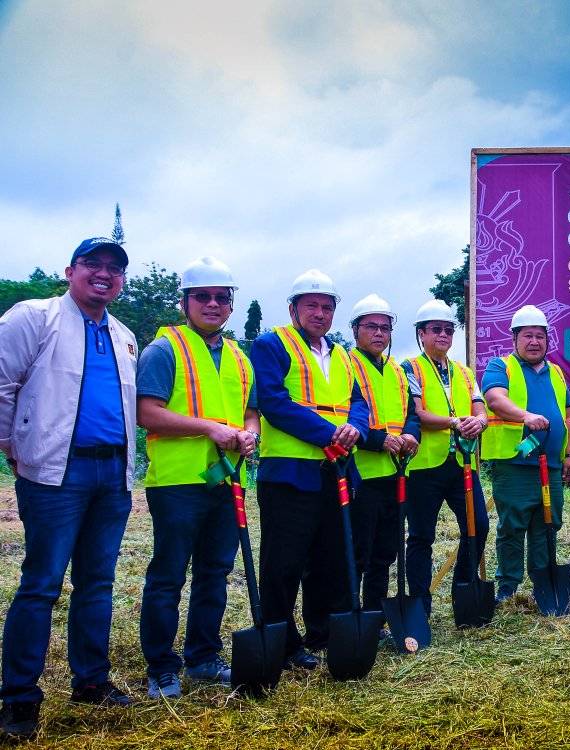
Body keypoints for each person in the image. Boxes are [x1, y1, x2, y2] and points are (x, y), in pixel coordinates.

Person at [0, 238, 138, 739]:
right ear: (70, 270)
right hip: (55, 473)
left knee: (97, 583)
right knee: (40, 584)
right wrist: (13, 445)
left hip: (112, 475)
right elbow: (1, 382)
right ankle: (18, 698)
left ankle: (91, 681)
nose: (104, 274)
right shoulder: (33, 317)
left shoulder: (124, 336)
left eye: (115, 269)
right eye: (93, 265)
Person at [137, 257, 259, 698]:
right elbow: (145, 412)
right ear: (185, 302)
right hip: (177, 482)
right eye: (202, 297)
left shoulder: (239, 359)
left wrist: (249, 434)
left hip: (226, 481)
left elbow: (250, 412)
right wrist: (210, 428)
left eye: (221, 298)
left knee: (215, 572)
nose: (213, 304)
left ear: (230, 307)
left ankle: (203, 657)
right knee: (169, 575)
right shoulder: (164, 350)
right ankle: (161, 666)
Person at [249, 269, 370, 669]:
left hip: (335, 469)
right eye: (311, 306)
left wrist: (355, 426)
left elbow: (358, 401)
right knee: (284, 562)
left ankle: (323, 632)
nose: (320, 313)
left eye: (327, 307)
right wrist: (331, 434)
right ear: (293, 309)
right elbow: (274, 402)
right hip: (289, 471)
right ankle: (282, 642)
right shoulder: (271, 344)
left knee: (330, 557)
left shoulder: (341, 354)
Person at [482, 304, 570, 602]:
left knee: (547, 524)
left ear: (547, 340)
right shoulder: (501, 366)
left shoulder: (557, 372)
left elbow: (568, 414)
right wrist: (525, 416)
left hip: (551, 466)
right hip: (515, 463)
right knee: (512, 524)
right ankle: (508, 586)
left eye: (540, 336)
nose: (534, 342)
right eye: (527, 336)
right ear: (515, 339)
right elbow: (496, 400)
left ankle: (543, 582)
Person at [402, 300, 489, 613]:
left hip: (462, 464)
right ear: (421, 333)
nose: (443, 335)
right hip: (425, 465)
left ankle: (463, 592)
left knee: (478, 525)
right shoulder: (410, 368)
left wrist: (478, 422)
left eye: (449, 330)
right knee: (422, 537)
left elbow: (480, 411)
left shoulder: (464, 373)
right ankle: (420, 606)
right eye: (436, 329)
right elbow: (418, 413)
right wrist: (455, 422)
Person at [348, 294, 420, 613]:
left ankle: (375, 614)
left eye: (385, 328)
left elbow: (412, 413)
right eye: (371, 327)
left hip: (394, 473)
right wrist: (378, 440)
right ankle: (350, 615)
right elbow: (343, 415)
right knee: (358, 552)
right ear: (355, 330)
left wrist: (410, 435)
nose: (379, 333)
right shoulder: (345, 364)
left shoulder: (396, 369)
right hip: (360, 475)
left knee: (385, 552)